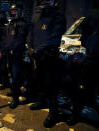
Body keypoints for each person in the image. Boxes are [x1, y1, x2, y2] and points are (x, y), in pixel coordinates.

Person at [28, 0, 66, 128]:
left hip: (48, 55)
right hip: (37, 55)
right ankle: (41, 101)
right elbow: (31, 33)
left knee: (50, 85)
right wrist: (30, 48)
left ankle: (53, 113)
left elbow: (55, 37)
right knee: (39, 81)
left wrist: (40, 50)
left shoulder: (57, 16)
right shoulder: (38, 15)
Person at [6, 4, 30, 109]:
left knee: (16, 77)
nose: (13, 13)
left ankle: (15, 99)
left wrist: (13, 49)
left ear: (20, 12)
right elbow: (9, 39)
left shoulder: (23, 24)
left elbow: (20, 39)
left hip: (18, 55)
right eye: (12, 11)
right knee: (12, 75)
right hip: (10, 54)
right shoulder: (12, 23)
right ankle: (14, 91)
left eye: (15, 11)